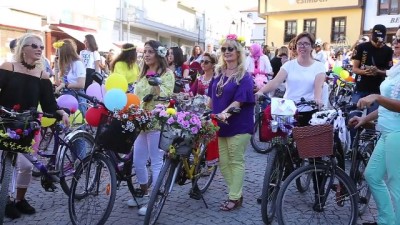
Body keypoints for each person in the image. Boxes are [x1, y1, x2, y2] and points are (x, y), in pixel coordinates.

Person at [0, 33, 69, 219]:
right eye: (34, 45)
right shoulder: (9, 67)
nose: (39, 49)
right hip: (5, 123)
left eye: (41, 47)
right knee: (3, 164)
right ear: (23, 49)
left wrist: (61, 112)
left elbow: (49, 104)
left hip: (28, 125)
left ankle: (20, 200)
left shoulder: (42, 75)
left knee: (26, 165)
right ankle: (4, 200)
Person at [349, 44, 400, 225]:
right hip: (387, 132)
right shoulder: (396, 69)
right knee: (372, 175)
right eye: (396, 39)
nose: (396, 43)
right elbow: (387, 106)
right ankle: (388, 221)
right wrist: (365, 119)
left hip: (397, 133)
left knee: (396, 184)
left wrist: (376, 97)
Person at [208, 34, 255, 211]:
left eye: (230, 49)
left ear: (238, 52)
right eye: (224, 49)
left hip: (239, 125)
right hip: (220, 125)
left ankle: (234, 197)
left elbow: (240, 101)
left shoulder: (244, 76)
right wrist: (205, 112)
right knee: (223, 162)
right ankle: (236, 192)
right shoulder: (218, 73)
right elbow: (211, 98)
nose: (226, 52)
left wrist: (225, 113)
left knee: (235, 161)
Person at [128, 40, 175, 216]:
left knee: (156, 162)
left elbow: (166, 94)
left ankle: (154, 201)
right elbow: (135, 95)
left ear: (158, 54)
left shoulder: (167, 74)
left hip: (157, 122)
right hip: (141, 123)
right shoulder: (142, 73)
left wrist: (156, 84)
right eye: (144, 51)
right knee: (138, 161)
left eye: (150, 51)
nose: (146, 55)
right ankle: (144, 193)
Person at [256, 31, 325, 124]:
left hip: (309, 110)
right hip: (288, 110)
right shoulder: (289, 65)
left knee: (306, 137)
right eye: (299, 44)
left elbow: (318, 87)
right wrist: (261, 91)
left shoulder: (319, 67)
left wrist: (317, 99)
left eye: (306, 44)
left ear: (312, 46)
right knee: (283, 137)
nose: (302, 46)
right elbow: (275, 82)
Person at [351, 24, 393, 114]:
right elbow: (354, 69)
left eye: (380, 39)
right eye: (376, 38)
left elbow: (389, 72)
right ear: (371, 35)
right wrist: (364, 72)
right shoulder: (362, 47)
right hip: (361, 87)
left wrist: (378, 71)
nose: (378, 41)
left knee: (371, 118)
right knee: (353, 114)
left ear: (384, 37)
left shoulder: (388, 50)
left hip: (377, 89)